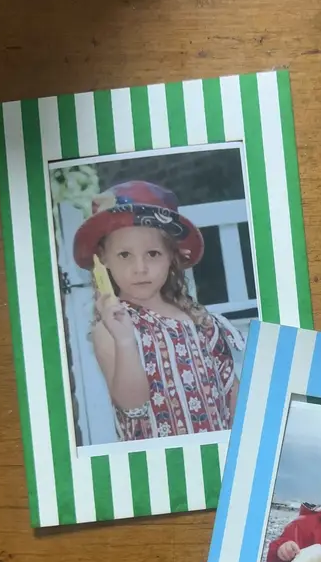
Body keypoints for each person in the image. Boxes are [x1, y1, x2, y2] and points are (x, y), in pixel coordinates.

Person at [73, 180, 244, 440]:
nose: (140, 268)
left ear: (171, 257)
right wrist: (126, 341)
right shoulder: (109, 331)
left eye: (152, 254)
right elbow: (133, 407)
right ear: (102, 259)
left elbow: (235, 399)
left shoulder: (201, 322)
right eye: (124, 255)